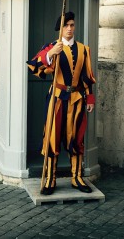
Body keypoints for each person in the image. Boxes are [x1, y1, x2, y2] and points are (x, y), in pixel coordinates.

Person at [27, 11, 96, 195]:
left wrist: (89, 98)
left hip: (77, 100)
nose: (70, 28)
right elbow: (34, 66)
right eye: (66, 25)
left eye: (72, 25)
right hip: (57, 99)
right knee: (52, 137)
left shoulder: (83, 49)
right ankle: (50, 179)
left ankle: (77, 178)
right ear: (61, 28)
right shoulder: (52, 47)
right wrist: (50, 54)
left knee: (77, 138)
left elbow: (87, 77)